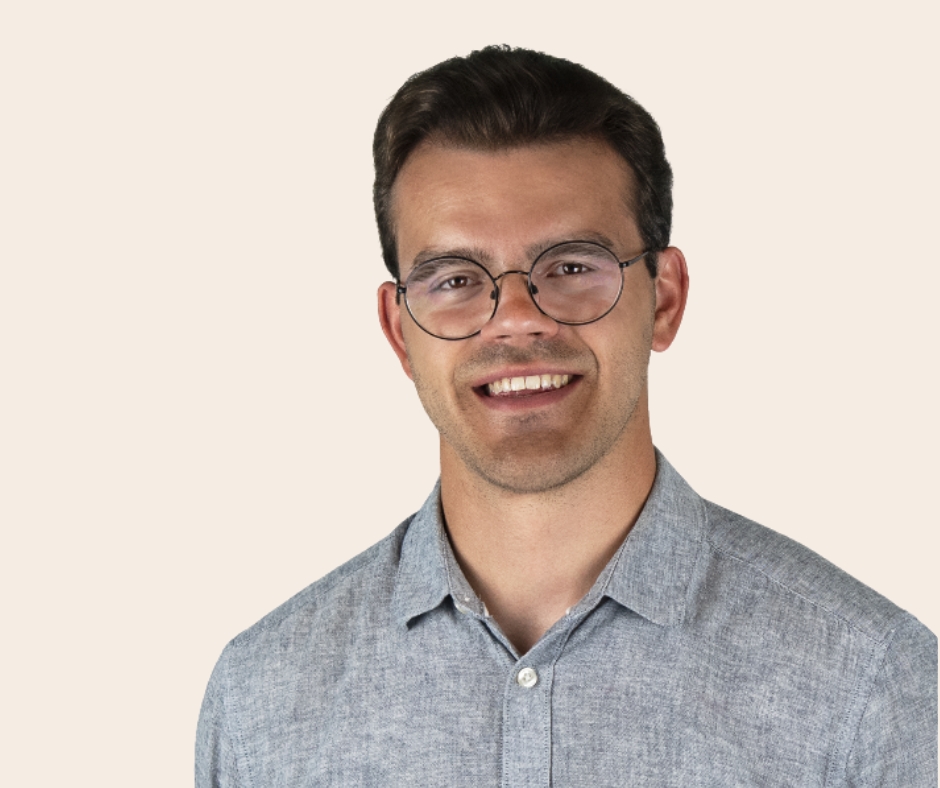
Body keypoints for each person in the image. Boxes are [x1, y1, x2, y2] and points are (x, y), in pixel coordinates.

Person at [196, 46, 937, 786]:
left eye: (572, 267)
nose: (515, 318)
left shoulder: (870, 687)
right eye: (455, 279)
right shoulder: (262, 701)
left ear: (665, 298)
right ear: (399, 331)